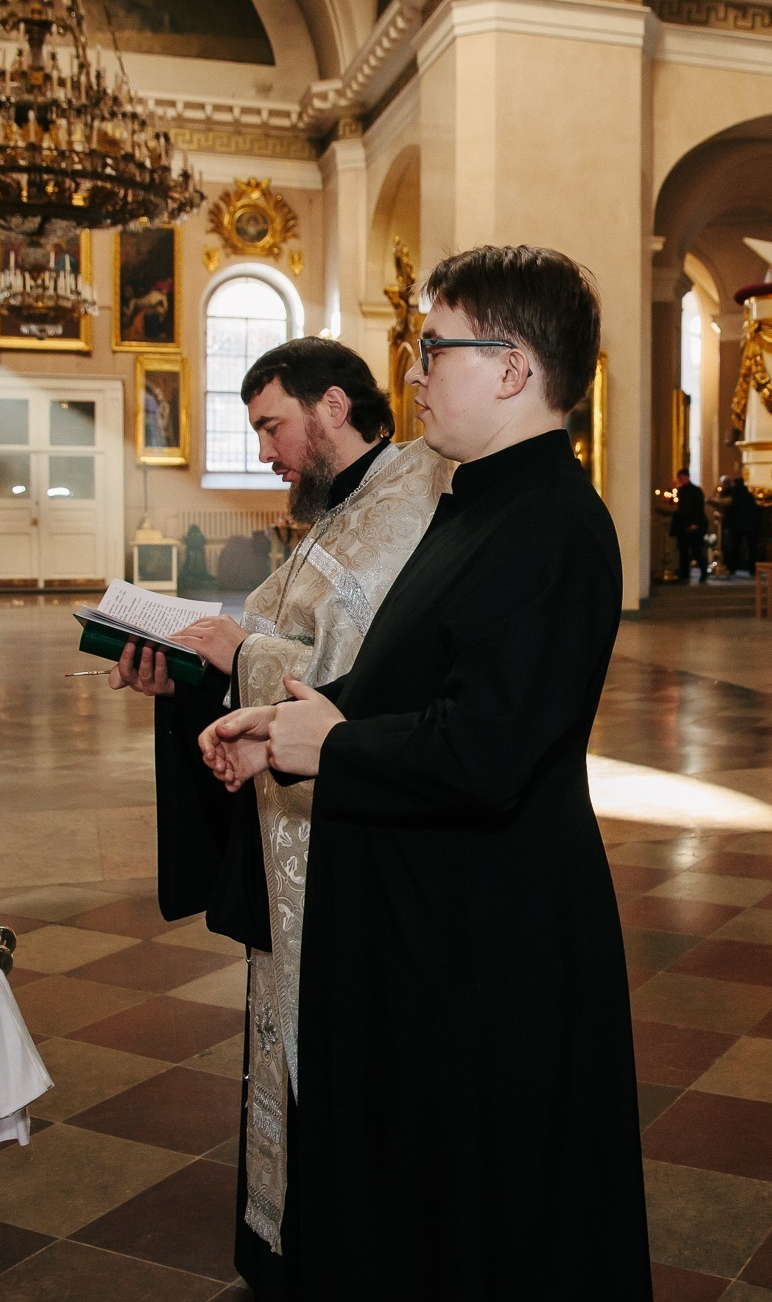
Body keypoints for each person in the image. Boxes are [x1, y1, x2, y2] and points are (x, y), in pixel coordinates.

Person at [196, 245, 649, 1297]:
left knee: (494, 1203)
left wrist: (333, 745)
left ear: (509, 367)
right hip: (432, 913)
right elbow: (409, 677)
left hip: (494, 929)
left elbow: (487, 747)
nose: (411, 373)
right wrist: (286, 720)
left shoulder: (556, 525)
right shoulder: (473, 500)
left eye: (431, 348)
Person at [110, 337, 453, 1295]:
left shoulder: (410, 500)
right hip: (288, 814)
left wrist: (231, 652)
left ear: (333, 406)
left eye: (271, 424)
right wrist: (179, 664)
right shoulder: (336, 511)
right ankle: (292, 1239)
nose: (264, 449)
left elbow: (355, 677)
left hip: (355, 824)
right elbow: (269, 629)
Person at [721, 474, 765, 576]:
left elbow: (729, 506)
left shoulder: (734, 490)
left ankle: (732, 568)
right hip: (752, 522)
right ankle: (753, 569)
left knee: (735, 547)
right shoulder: (754, 488)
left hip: (736, 523)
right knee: (752, 547)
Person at [670, 468, 708, 582]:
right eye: (679, 478)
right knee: (683, 552)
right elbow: (676, 506)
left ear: (687, 477)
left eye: (682, 478)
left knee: (696, 550)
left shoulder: (696, 491)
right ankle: (684, 574)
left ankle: (704, 571)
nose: (681, 480)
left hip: (693, 525)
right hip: (682, 525)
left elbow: (699, 509)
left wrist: (695, 523)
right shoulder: (679, 491)